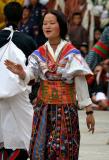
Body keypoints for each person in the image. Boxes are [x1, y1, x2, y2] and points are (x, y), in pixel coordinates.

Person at [5, 10, 95, 160]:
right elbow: (30, 76)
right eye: (45, 23)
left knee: (63, 151)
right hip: (43, 109)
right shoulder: (39, 53)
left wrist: (89, 112)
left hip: (66, 109)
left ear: (61, 26)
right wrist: (21, 72)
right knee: (41, 151)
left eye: (52, 23)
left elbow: (80, 81)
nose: (47, 26)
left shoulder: (71, 53)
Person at [0, 2, 36, 159]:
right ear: (22, 16)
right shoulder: (28, 41)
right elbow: (34, 72)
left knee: (2, 132)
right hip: (20, 94)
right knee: (28, 133)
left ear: (4, 17)